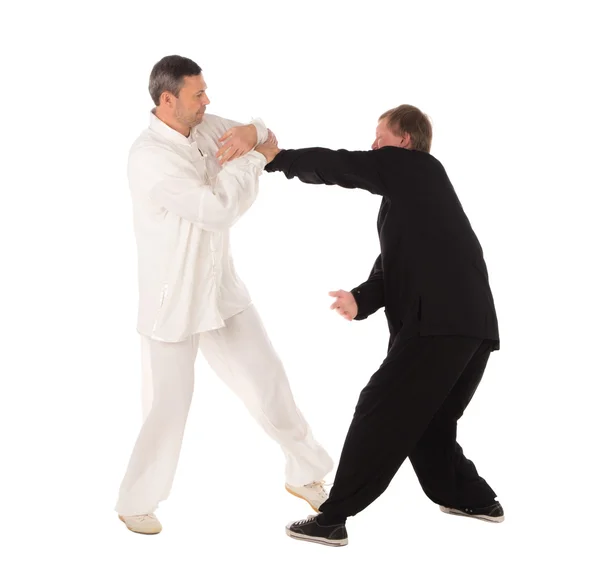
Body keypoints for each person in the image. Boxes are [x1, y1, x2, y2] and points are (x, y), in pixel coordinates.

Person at [260, 105, 503, 547]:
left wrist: (277, 159)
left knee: (381, 407)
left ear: (405, 141)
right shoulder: (414, 198)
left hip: (441, 323)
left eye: (380, 137)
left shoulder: (417, 168)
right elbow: (392, 267)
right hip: (470, 324)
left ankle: (332, 518)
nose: (373, 146)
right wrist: (362, 298)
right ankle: (474, 499)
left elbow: (342, 165)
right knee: (429, 420)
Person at [115, 55, 332, 535]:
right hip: (172, 301)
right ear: (167, 100)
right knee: (168, 406)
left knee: (267, 378)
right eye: (198, 94)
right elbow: (217, 210)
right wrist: (252, 155)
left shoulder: (206, 126)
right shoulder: (149, 156)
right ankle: (136, 500)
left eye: (206, 91)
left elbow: (261, 130)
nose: (208, 101)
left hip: (221, 288)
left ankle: (306, 473)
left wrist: (252, 135)